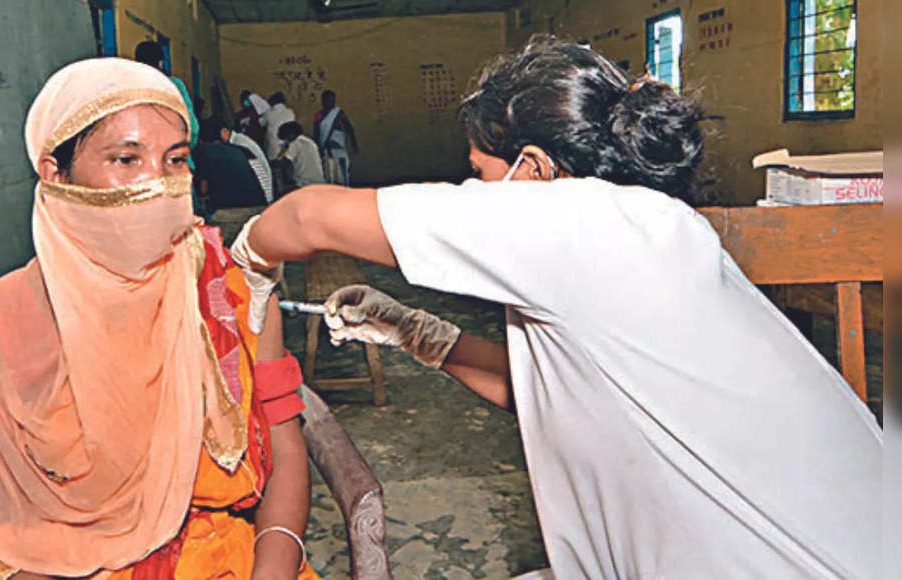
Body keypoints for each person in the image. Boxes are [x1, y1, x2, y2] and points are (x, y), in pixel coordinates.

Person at [229, 39, 881, 579]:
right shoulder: (654, 228)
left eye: (479, 175)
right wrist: (419, 333)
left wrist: (243, 262)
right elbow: (555, 397)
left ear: (535, 168)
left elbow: (307, 214)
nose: (473, 190)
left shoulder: (578, 223)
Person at [0, 58, 320, 580]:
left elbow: (284, 448)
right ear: (56, 175)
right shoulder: (1, 318)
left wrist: (273, 569)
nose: (156, 184)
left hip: (227, 561)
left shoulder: (229, 292)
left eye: (175, 161)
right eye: (126, 159)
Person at [134, 41, 199, 171]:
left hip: (140, 167)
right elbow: (192, 127)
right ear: (160, 63)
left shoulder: (130, 88)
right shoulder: (174, 86)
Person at [194, 117, 269, 211]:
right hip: (261, 200)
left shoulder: (239, 145)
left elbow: (203, 189)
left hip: (251, 202)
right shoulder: (240, 143)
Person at [221, 121, 275, 203]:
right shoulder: (239, 139)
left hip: (262, 188)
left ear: (225, 131)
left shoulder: (240, 143)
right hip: (263, 188)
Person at [313, 90, 358, 186]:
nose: (330, 102)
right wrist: (317, 148)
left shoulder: (339, 114)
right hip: (325, 150)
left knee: (342, 175)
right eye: (327, 100)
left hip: (339, 150)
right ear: (322, 101)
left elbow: (349, 128)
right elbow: (316, 132)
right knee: (329, 176)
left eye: (332, 100)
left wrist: (354, 143)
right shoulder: (319, 115)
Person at [276, 121, 324, 189]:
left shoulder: (296, 143)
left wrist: (282, 152)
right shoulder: (310, 142)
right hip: (319, 182)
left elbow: (284, 162)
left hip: (304, 183)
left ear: (290, 134)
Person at [261, 92, 296, 161]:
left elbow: (261, 124)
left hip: (273, 150)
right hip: (288, 150)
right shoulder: (290, 113)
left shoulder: (268, 113)